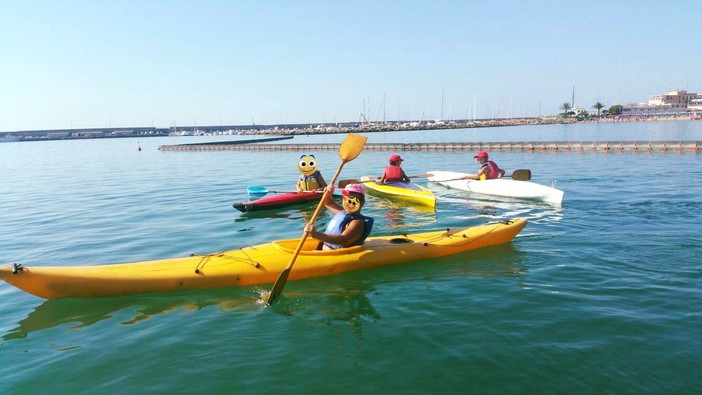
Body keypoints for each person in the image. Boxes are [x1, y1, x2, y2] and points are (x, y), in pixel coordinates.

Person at [304, 183, 374, 250]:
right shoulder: (342, 212)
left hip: (337, 255)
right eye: (347, 200)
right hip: (326, 250)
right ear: (342, 199)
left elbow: (343, 239)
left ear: (362, 203)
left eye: (355, 201)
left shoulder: (356, 223)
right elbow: (329, 203)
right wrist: (328, 193)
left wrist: (317, 235)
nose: (350, 204)